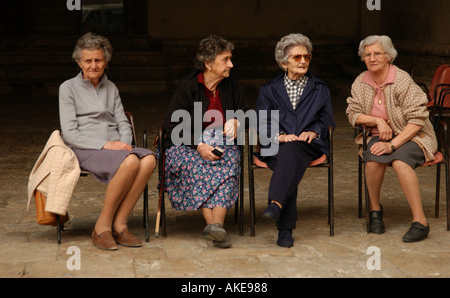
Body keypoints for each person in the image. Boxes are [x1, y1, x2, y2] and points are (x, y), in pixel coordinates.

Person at [59, 32, 156, 250]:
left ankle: (120, 224)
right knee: (130, 161)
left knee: (149, 159)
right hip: (85, 147)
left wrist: (124, 143)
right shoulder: (67, 89)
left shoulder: (110, 87)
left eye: (98, 60)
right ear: (79, 62)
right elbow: (69, 134)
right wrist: (107, 145)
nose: (93, 65)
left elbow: (122, 122)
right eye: (88, 60)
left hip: (116, 147)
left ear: (106, 62)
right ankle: (102, 226)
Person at [346, 35, 437, 242]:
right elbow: (353, 114)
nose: (372, 58)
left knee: (400, 161)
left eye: (377, 53)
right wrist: (378, 122)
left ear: (388, 56)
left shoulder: (401, 79)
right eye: (367, 54)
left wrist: (393, 144)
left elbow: (417, 119)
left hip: (414, 135)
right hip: (380, 135)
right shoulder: (361, 81)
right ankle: (375, 212)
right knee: (372, 159)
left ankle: (420, 221)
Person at [162, 35, 249, 248]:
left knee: (229, 161)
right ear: (208, 64)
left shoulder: (230, 85)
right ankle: (216, 226)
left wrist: (237, 121)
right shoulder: (188, 87)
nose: (231, 64)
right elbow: (170, 127)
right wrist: (198, 145)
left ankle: (215, 227)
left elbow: (247, 113)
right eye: (225, 59)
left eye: (230, 58)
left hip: (222, 142)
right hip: (187, 143)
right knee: (198, 165)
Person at [255, 33, 336, 247]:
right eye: (297, 57)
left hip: (309, 146)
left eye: (306, 57)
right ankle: (283, 225)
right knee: (288, 156)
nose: (303, 61)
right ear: (284, 63)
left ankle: (277, 207)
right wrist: (279, 136)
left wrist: (315, 131)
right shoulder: (268, 90)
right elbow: (261, 121)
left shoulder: (320, 88)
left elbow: (327, 119)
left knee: (291, 153)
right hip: (276, 145)